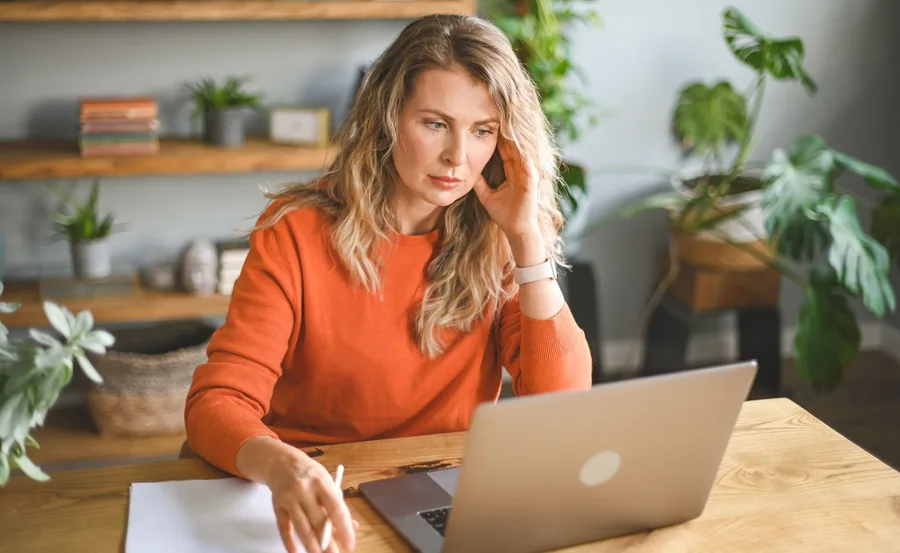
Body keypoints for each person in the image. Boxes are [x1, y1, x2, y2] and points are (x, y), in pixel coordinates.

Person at [183, 13, 593, 553]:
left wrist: (524, 236)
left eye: (482, 131)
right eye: (435, 123)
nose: (458, 157)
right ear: (387, 118)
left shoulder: (502, 240)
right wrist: (284, 466)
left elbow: (560, 404)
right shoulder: (296, 233)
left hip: (442, 492)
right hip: (313, 491)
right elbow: (218, 400)